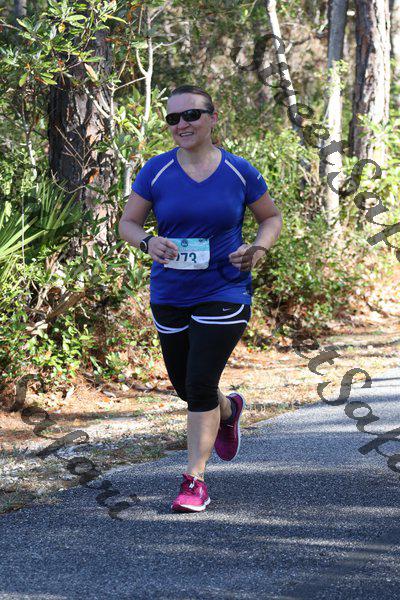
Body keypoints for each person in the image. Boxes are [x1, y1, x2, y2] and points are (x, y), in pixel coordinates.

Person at [118, 84, 282, 513]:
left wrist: (258, 249)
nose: (182, 124)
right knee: (186, 387)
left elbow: (270, 217)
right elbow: (128, 223)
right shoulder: (155, 171)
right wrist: (147, 242)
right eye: (173, 118)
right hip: (170, 292)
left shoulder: (239, 171)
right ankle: (228, 412)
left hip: (225, 288)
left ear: (212, 118)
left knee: (199, 383)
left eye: (191, 115)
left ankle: (194, 480)